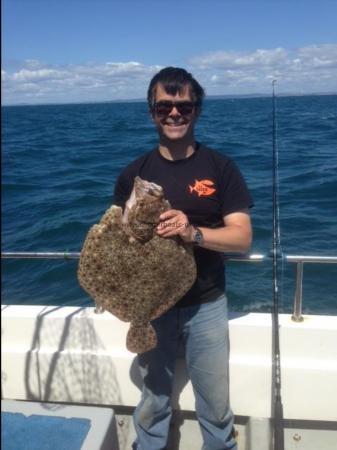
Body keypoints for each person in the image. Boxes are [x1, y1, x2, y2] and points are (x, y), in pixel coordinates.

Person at [113, 67, 253, 450]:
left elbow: (242, 237)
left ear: (197, 111)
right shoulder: (133, 174)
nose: (174, 114)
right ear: (151, 112)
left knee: (215, 404)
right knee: (153, 400)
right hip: (152, 306)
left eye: (184, 106)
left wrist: (192, 233)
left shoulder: (221, 168)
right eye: (164, 107)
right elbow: (116, 243)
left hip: (206, 303)